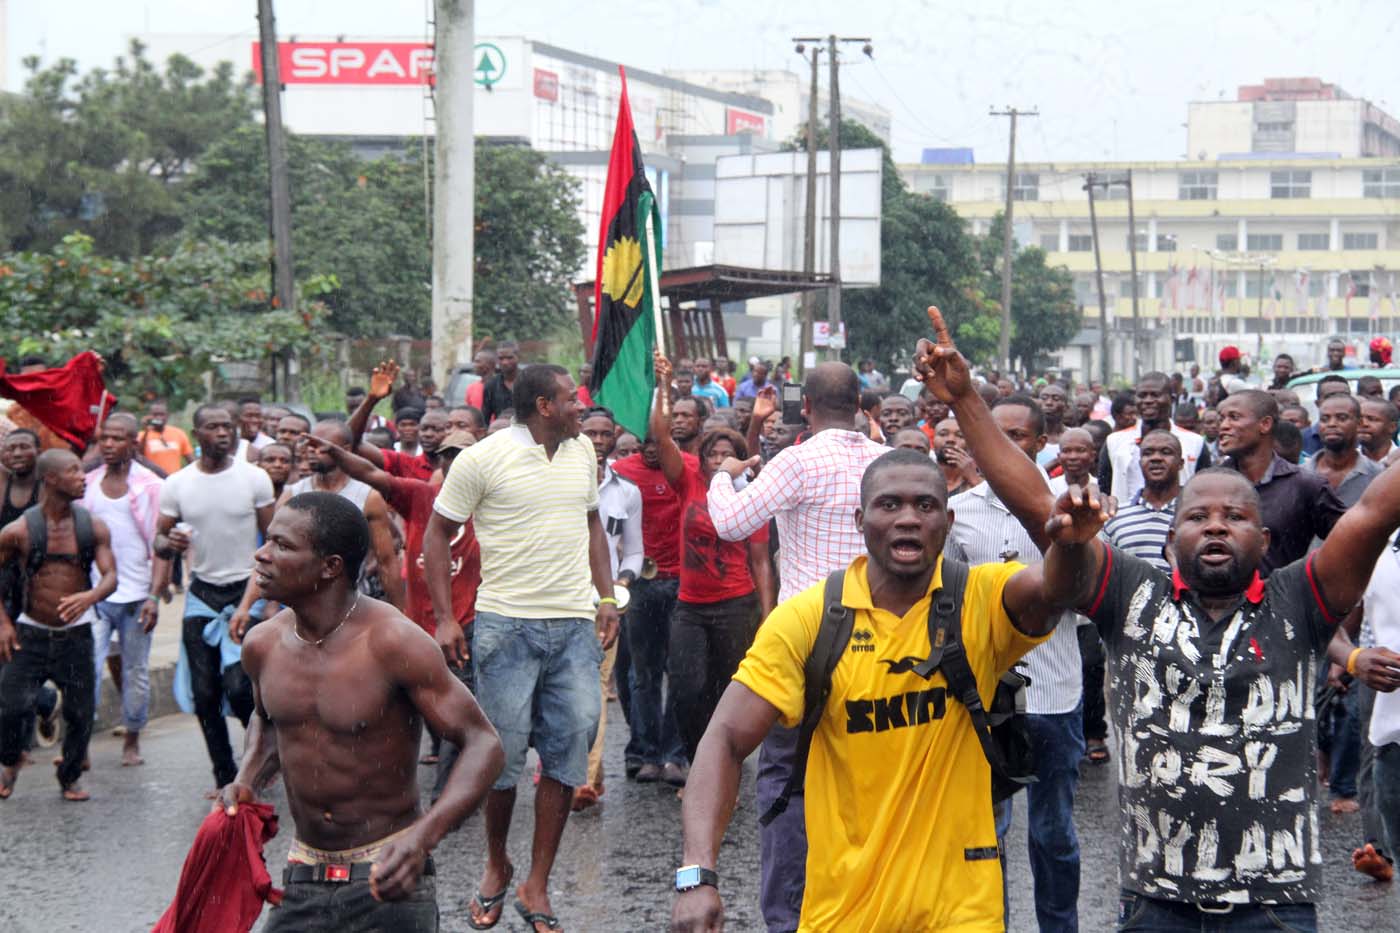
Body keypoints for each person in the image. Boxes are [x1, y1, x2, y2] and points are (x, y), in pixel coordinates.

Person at [671, 312, 1104, 932]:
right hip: (842, 914)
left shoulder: (980, 599)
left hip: (962, 915)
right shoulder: (805, 622)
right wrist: (697, 873)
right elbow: (724, 740)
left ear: (947, 524)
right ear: (860, 521)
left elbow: (1061, 585)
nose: (906, 518)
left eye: (925, 505)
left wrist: (1071, 541)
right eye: (889, 505)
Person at [1050, 449, 1400, 930]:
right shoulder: (1130, 594)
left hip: (1275, 905)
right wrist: (966, 405)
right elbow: (1034, 507)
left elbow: (1373, 514)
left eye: (1235, 517)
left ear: (1264, 540)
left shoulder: (1298, 598)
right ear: (1171, 541)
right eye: (1198, 517)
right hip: (1154, 902)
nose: (1216, 526)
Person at [224, 493, 503, 932]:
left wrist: (422, 838)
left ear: (330, 566)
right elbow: (269, 719)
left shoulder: (393, 642)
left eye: (282, 545)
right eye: (268, 540)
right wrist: (247, 779)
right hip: (303, 874)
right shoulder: (262, 644)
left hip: (389, 874)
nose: (262, 554)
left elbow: (484, 743)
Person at [424, 363, 619, 931]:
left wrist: (607, 597)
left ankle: (537, 883)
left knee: (568, 751)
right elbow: (437, 533)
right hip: (505, 626)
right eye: (571, 399)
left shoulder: (582, 453)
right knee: (501, 758)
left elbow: (592, 525)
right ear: (543, 406)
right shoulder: (483, 459)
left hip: (574, 626)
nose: (582, 408)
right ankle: (497, 865)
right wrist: (444, 618)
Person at [703, 362, 886, 931]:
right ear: (860, 405)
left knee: (786, 781)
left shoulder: (798, 460)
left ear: (804, 406)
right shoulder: (886, 462)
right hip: (877, 637)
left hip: (804, 641)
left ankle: (788, 918)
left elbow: (731, 523)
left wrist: (724, 474)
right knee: (867, 778)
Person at [946, 394, 1086, 933]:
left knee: (1054, 833)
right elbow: (948, 602)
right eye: (994, 434)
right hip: (988, 697)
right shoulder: (958, 512)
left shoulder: (1069, 510)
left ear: (1041, 442)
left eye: (1017, 437)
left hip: (1055, 692)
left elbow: (1087, 601)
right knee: (987, 832)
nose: (1001, 446)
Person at [650, 357, 775, 773]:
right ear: (701, 458)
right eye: (714, 454)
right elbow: (661, 435)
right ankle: (699, 761)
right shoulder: (688, 479)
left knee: (726, 694)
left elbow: (761, 561)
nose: (721, 460)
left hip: (737, 606)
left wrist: (768, 616)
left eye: (728, 454)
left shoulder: (750, 496)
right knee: (686, 690)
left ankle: (723, 769)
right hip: (690, 606)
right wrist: (664, 386)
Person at [155, 405, 275, 790]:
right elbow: (159, 540)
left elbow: (274, 541)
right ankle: (224, 775)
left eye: (227, 426)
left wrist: (260, 603)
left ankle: (259, 760)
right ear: (197, 435)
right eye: (213, 427)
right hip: (202, 594)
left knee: (240, 689)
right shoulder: (177, 484)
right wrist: (170, 542)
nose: (223, 433)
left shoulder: (254, 478)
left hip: (247, 588)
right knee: (204, 694)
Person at [0, 449, 117, 801]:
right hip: (30, 632)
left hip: (76, 635)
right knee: (10, 707)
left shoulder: (92, 526)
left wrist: (91, 596)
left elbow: (111, 576)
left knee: (81, 713)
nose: (83, 477)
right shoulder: (18, 531)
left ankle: (70, 776)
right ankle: (10, 760)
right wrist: (3, 623)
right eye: (74, 471)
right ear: (50, 479)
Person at [81, 413, 166, 768]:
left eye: (117, 438)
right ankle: (79, 745)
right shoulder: (87, 483)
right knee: (86, 668)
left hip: (137, 595)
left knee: (135, 671)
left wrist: (154, 595)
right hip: (96, 595)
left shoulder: (150, 486)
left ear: (134, 443)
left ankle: (132, 739)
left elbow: (162, 546)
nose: (109, 444)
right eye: (104, 438)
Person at [610, 426, 692, 787]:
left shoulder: (688, 467)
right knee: (643, 674)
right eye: (644, 442)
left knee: (680, 671)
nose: (650, 449)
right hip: (639, 583)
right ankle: (644, 752)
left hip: (683, 582)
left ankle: (675, 754)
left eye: (658, 442)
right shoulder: (621, 472)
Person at [575, 407, 643, 808]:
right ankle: (589, 773)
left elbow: (633, 551)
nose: (599, 442)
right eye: (591, 433)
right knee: (565, 687)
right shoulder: (556, 478)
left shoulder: (627, 492)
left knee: (597, 686)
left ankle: (581, 779)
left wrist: (622, 584)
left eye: (605, 434)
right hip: (558, 598)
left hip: (605, 604)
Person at [280, 420, 405, 610]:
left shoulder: (367, 497)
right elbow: (274, 554)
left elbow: (386, 561)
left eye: (320, 445)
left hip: (351, 604)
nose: (312, 450)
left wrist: (400, 613)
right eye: (309, 445)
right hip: (297, 604)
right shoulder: (292, 494)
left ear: (344, 450)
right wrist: (267, 604)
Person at [1217, 390, 1345, 576]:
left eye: (1234, 417)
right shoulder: (1208, 484)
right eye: (1222, 418)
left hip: (1281, 594)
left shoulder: (1305, 485)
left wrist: (1310, 580)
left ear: (1265, 424)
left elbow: (1349, 539)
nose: (1224, 426)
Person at [1099, 372, 1209, 502]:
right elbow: (1104, 490)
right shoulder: (1114, 442)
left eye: (1155, 395)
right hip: (1125, 514)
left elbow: (1205, 490)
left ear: (1172, 399)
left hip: (1179, 513)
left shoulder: (1195, 443)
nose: (1148, 401)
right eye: (1142, 396)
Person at [351, 362, 450, 482]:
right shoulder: (404, 464)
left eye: (436, 429)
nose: (428, 434)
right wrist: (371, 399)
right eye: (424, 429)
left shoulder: (463, 466)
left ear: (450, 431)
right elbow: (351, 442)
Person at [1307, 393, 1383, 508]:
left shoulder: (1378, 475)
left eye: (1342, 418)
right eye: (1324, 419)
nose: (1331, 424)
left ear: (1359, 424)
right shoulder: (1299, 475)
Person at [139, 400, 194, 478]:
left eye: (162, 414)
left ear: (167, 415)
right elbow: (138, 457)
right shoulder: (142, 435)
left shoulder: (179, 433)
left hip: (175, 481)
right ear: (149, 416)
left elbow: (191, 461)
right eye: (155, 415)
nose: (158, 417)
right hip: (153, 481)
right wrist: (146, 431)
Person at [932, 418, 979, 496]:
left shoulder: (984, 482)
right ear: (933, 440)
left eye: (960, 435)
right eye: (943, 434)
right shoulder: (921, 478)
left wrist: (974, 480)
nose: (951, 440)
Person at [480, 341, 520, 425]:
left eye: (509, 358)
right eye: (501, 358)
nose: (505, 362)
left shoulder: (529, 382)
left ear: (518, 357)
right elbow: (485, 417)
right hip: (501, 430)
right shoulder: (491, 385)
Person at [1037, 383, 1069, 467]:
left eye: (1056, 399)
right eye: (1044, 398)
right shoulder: (1030, 437)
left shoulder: (1073, 437)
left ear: (1066, 407)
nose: (1049, 403)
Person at [235, 397, 274, 463]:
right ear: (237, 418)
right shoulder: (230, 442)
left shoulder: (270, 445)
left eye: (258, 416)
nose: (255, 420)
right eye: (249, 416)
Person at [1361, 398, 1399, 463]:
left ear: (1392, 427)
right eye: (1359, 418)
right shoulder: (1346, 458)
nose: (1363, 423)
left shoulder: (1397, 459)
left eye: (1371, 419)